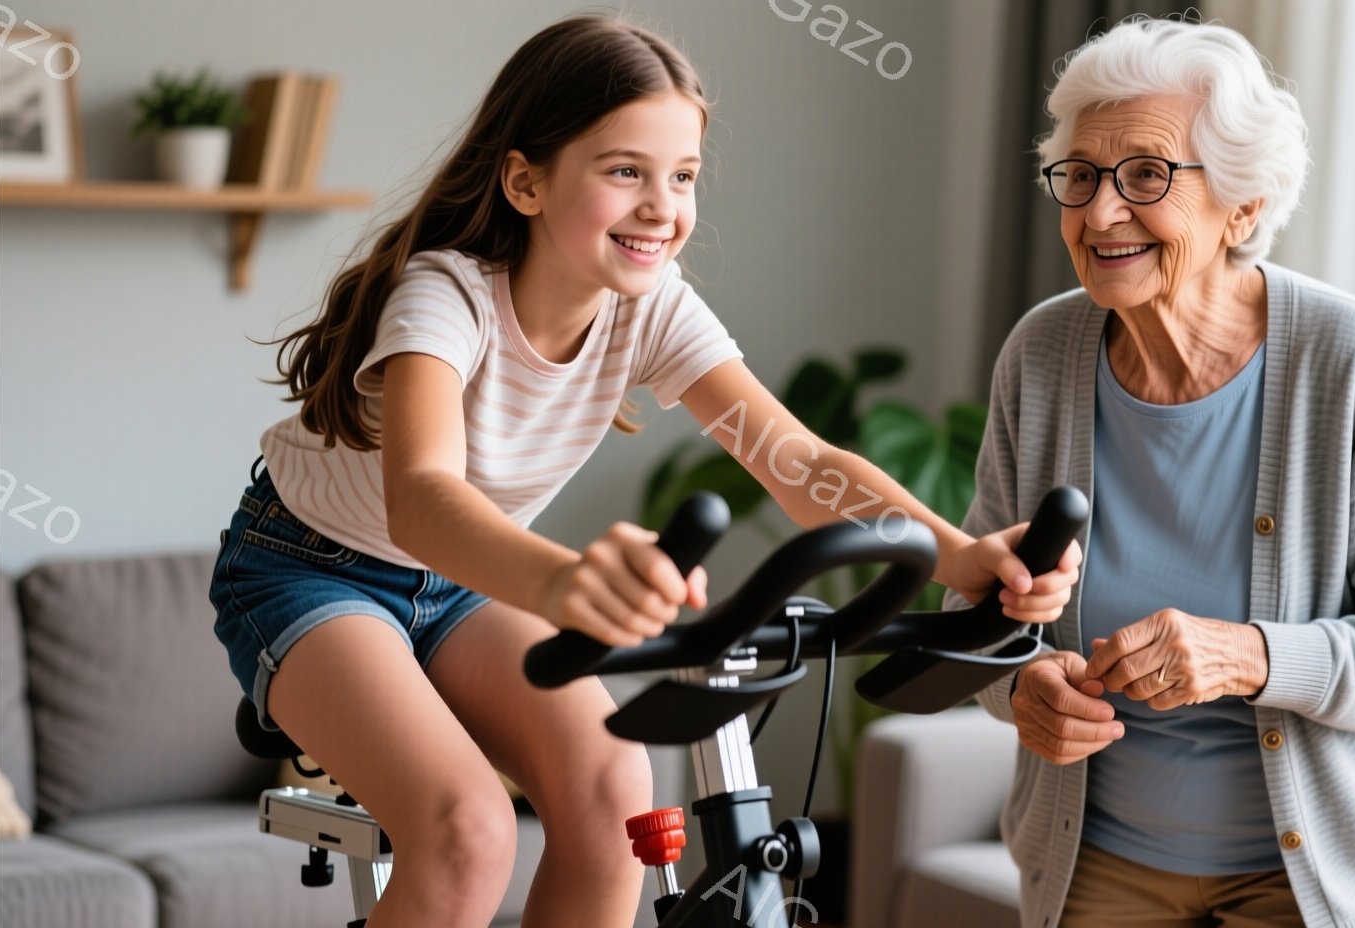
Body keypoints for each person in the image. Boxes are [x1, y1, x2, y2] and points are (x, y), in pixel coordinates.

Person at [208, 14, 1082, 928]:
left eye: (684, 177)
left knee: (620, 792)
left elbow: (795, 459)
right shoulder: (444, 295)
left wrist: (955, 555)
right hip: (308, 570)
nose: (662, 206)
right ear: (526, 180)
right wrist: (568, 582)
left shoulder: (650, 307)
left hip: (452, 588)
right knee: (468, 830)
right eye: (626, 170)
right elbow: (424, 501)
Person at [948, 15, 1355, 928]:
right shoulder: (1041, 353)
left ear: (1243, 208)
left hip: (1313, 879)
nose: (1098, 212)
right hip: (1099, 865)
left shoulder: (1342, 355)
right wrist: (1018, 687)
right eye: (1079, 176)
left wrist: (1252, 656)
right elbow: (982, 611)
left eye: (1147, 176)